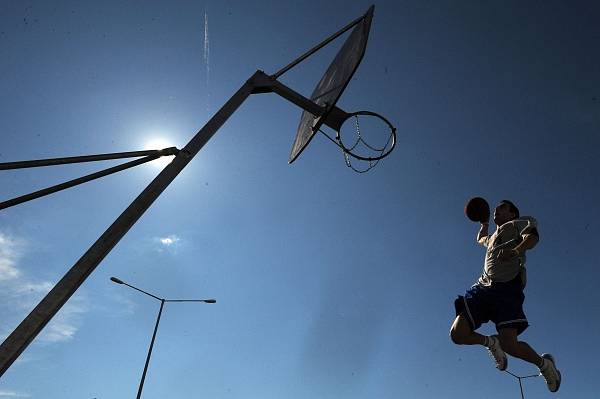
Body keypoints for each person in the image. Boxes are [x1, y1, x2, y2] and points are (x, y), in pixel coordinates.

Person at [449, 200, 561, 392]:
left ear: (512, 214)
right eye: (495, 210)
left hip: (507, 290)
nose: (496, 211)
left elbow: (533, 238)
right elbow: (480, 239)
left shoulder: (518, 223)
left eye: (502, 208)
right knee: (457, 335)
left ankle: (545, 365)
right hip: (483, 288)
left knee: (510, 345)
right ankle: (491, 342)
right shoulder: (492, 236)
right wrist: (483, 224)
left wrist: (516, 251)